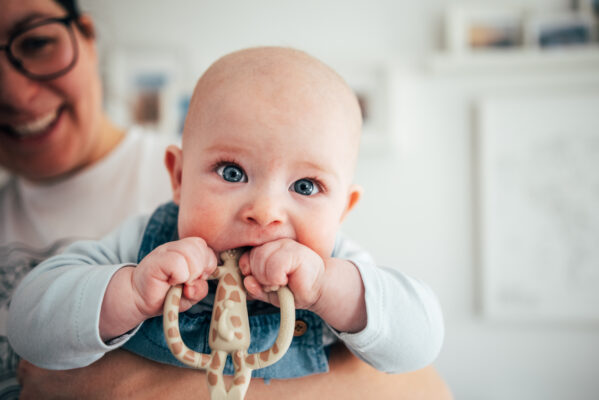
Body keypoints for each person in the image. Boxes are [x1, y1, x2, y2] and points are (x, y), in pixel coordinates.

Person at [1, 1, 452, 398]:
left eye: (306, 187)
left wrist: (331, 291)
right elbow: (28, 321)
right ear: (178, 178)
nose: (266, 211)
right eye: (232, 173)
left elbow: (422, 339)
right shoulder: (145, 245)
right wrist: (129, 292)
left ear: (343, 210)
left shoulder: (335, 265)